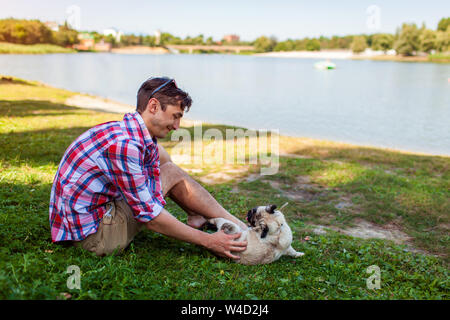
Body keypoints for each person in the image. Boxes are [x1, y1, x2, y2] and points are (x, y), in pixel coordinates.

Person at [49, 76, 248, 259]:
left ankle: (217, 221)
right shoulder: (126, 146)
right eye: (175, 116)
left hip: (87, 221)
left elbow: (162, 161)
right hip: (95, 238)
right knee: (169, 174)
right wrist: (210, 241)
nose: (177, 126)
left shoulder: (128, 131)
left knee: (169, 168)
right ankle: (242, 230)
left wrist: (189, 204)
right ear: (153, 106)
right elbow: (151, 217)